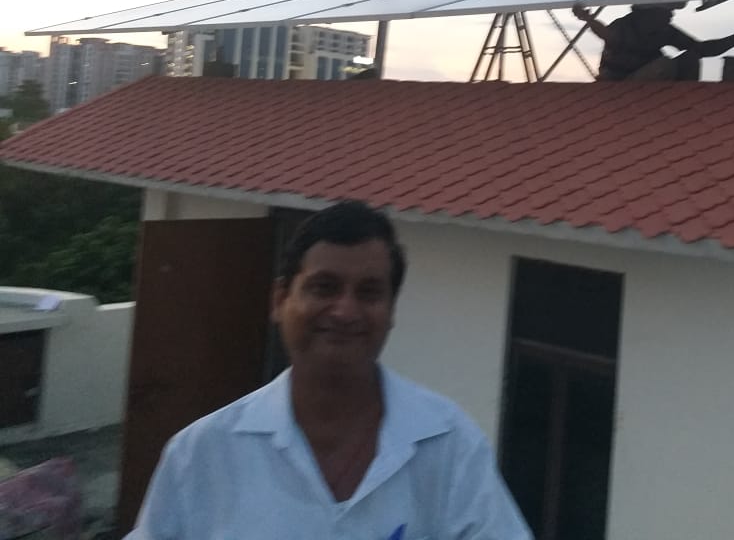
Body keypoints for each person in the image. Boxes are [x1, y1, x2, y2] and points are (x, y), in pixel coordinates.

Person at [128, 201, 531, 540]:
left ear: (391, 312)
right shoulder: (201, 456)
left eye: (369, 292)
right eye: (325, 287)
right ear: (280, 300)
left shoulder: (449, 446)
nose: (345, 311)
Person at [571, 2, 734, 81]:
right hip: (619, 84)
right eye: (666, 10)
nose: (671, 14)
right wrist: (588, 19)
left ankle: (687, 100)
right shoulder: (625, 26)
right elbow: (606, 34)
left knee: (690, 58)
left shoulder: (664, 31)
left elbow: (700, 48)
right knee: (663, 65)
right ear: (649, 13)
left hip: (646, 79)